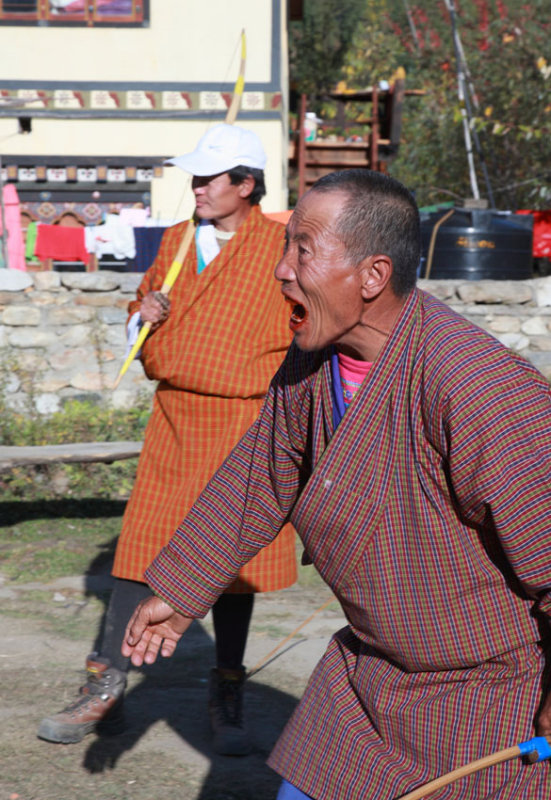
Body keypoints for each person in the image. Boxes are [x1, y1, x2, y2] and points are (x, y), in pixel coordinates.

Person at [120, 167, 551, 799]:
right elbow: (259, 479)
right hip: (368, 680)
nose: (281, 269)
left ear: (372, 276)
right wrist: (183, 591)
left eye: (303, 249)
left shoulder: (481, 388)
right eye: (285, 244)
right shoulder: (312, 360)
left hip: (490, 698)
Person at [37, 123, 297, 756]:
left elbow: (306, 320)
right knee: (141, 550)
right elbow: (139, 316)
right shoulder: (178, 241)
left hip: (246, 424)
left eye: (209, 178)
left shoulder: (284, 245)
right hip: (177, 421)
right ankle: (107, 683)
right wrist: (142, 316)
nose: (196, 188)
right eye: (195, 177)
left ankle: (227, 689)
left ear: (246, 184)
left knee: (235, 564)